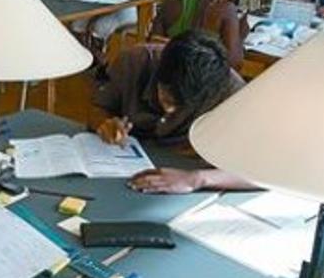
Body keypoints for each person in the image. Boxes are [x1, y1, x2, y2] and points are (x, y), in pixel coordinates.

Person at [91, 30, 254, 194]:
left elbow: (269, 171)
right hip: (122, 165)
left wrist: (196, 179)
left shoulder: (233, 94)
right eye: (167, 99)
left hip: (185, 175)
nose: (169, 110)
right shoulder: (134, 62)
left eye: (183, 106)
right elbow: (97, 108)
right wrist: (105, 123)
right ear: (158, 74)